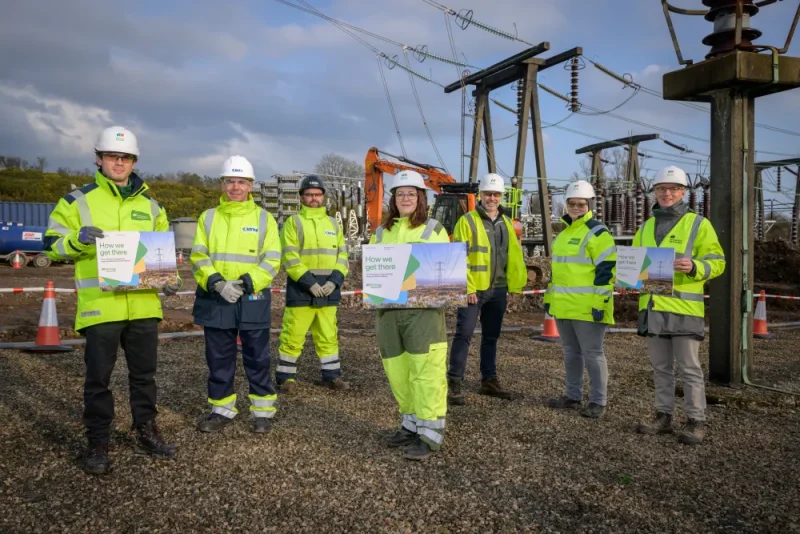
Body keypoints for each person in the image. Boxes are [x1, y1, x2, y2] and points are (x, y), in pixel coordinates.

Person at [43, 126, 179, 475]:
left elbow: (162, 252)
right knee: (98, 378)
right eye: (112, 156)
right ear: (99, 158)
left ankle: (145, 429)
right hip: (101, 306)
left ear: (134, 161)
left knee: (145, 376)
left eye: (125, 157)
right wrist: (77, 239)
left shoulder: (152, 206)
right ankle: (98, 439)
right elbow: (51, 242)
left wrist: (167, 278)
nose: (118, 162)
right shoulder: (77, 201)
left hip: (144, 304)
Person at [633, 166, 725, 445]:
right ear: (655, 192)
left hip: (684, 309)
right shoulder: (646, 226)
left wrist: (696, 266)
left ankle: (696, 420)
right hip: (653, 308)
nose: (667, 193)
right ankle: (663, 416)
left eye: (673, 189)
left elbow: (718, 262)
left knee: (689, 368)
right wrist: (626, 274)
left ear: (683, 192)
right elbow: (637, 264)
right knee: (661, 367)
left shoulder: (698, 224)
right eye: (661, 188)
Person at [191, 155, 281, 434]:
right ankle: (221, 410)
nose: (235, 187)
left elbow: (272, 259)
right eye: (230, 181)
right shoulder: (208, 218)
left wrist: (247, 282)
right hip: (216, 296)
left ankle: (262, 411)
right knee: (219, 358)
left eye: (241, 182)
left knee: (258, 357)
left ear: (250, 185)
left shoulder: (265, 219)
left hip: (251, 297)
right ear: (222, 184)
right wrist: (216, 282)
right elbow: (198, 255)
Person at [370, 170, 450, 461]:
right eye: (400, 193)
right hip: (389, 312)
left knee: (425, 372)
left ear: (421, 198)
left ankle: (430, 435)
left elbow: (445, 272)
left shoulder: (433, 230)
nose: (405, 198)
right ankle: (410, 423)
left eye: (411, 193)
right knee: (398, 372)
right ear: (393, 198)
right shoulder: (382, 231)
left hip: (422, 313)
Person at [446, 173, 527, 405]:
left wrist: (515, 286)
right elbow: (458, 257)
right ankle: (454, 381)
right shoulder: (467, 221)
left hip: (499, 289)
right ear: (480, 195)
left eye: (496, 194)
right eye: (488, 194)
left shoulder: (507, 223)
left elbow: (513, 256)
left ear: (501, 197)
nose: (492, 198)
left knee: (491, 337)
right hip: (474, 290)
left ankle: (488, 380)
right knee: (464, 335)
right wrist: (467, 287)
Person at [544, 180, 616, 419]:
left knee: (593, 354)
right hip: (564, 307)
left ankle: (598, 401)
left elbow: (606, 271)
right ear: (566, 205)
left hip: (588, 308)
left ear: (589, 205)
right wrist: (550, 299)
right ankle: (573, 396)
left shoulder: (598, 232)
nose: (576, 207)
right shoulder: (563, 234)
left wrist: (600, 304)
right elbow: (558, 273)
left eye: (581, 204)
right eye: (572, 204)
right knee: (570, 353)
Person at [276, 174, 350, 392]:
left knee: (328, 334)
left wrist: (335, 281)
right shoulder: (293, 223)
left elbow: (342, 256)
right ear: (301, 197)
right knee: (293, 335)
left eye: (317, 194)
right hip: (302, 289)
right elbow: (289, 257)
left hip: (328, 289)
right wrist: (309, 282)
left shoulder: (334, 224)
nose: (313, 198)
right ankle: (285, 379)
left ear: (323, 197)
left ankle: (331, 377)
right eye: (309, 194)